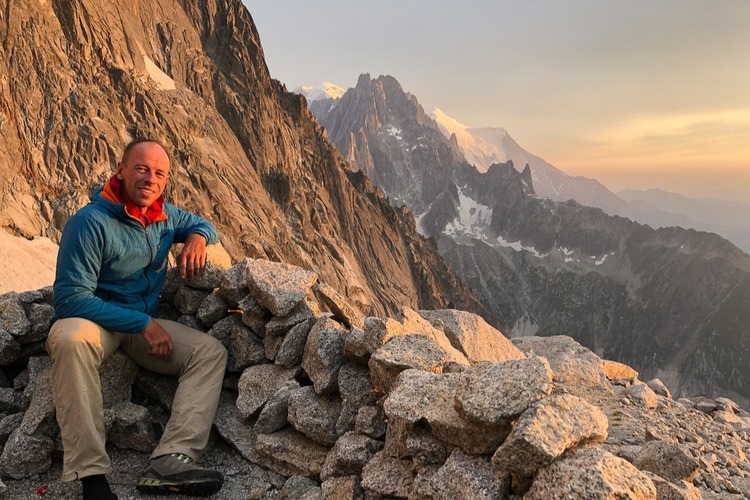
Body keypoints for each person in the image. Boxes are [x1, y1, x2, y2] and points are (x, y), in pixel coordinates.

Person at [47, 139, 228, 499]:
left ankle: (171, 460)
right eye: (142, 168)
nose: (150, 179)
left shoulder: (164, 216)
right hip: (96, 321)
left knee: (209, 353)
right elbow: (69, 300)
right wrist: (142, 323)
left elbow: (205, 224)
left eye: (159, 173)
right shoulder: (89, 222)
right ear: (121, 171)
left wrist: (196, 238)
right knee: (68, 339)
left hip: (137, 327)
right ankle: (92, 478)